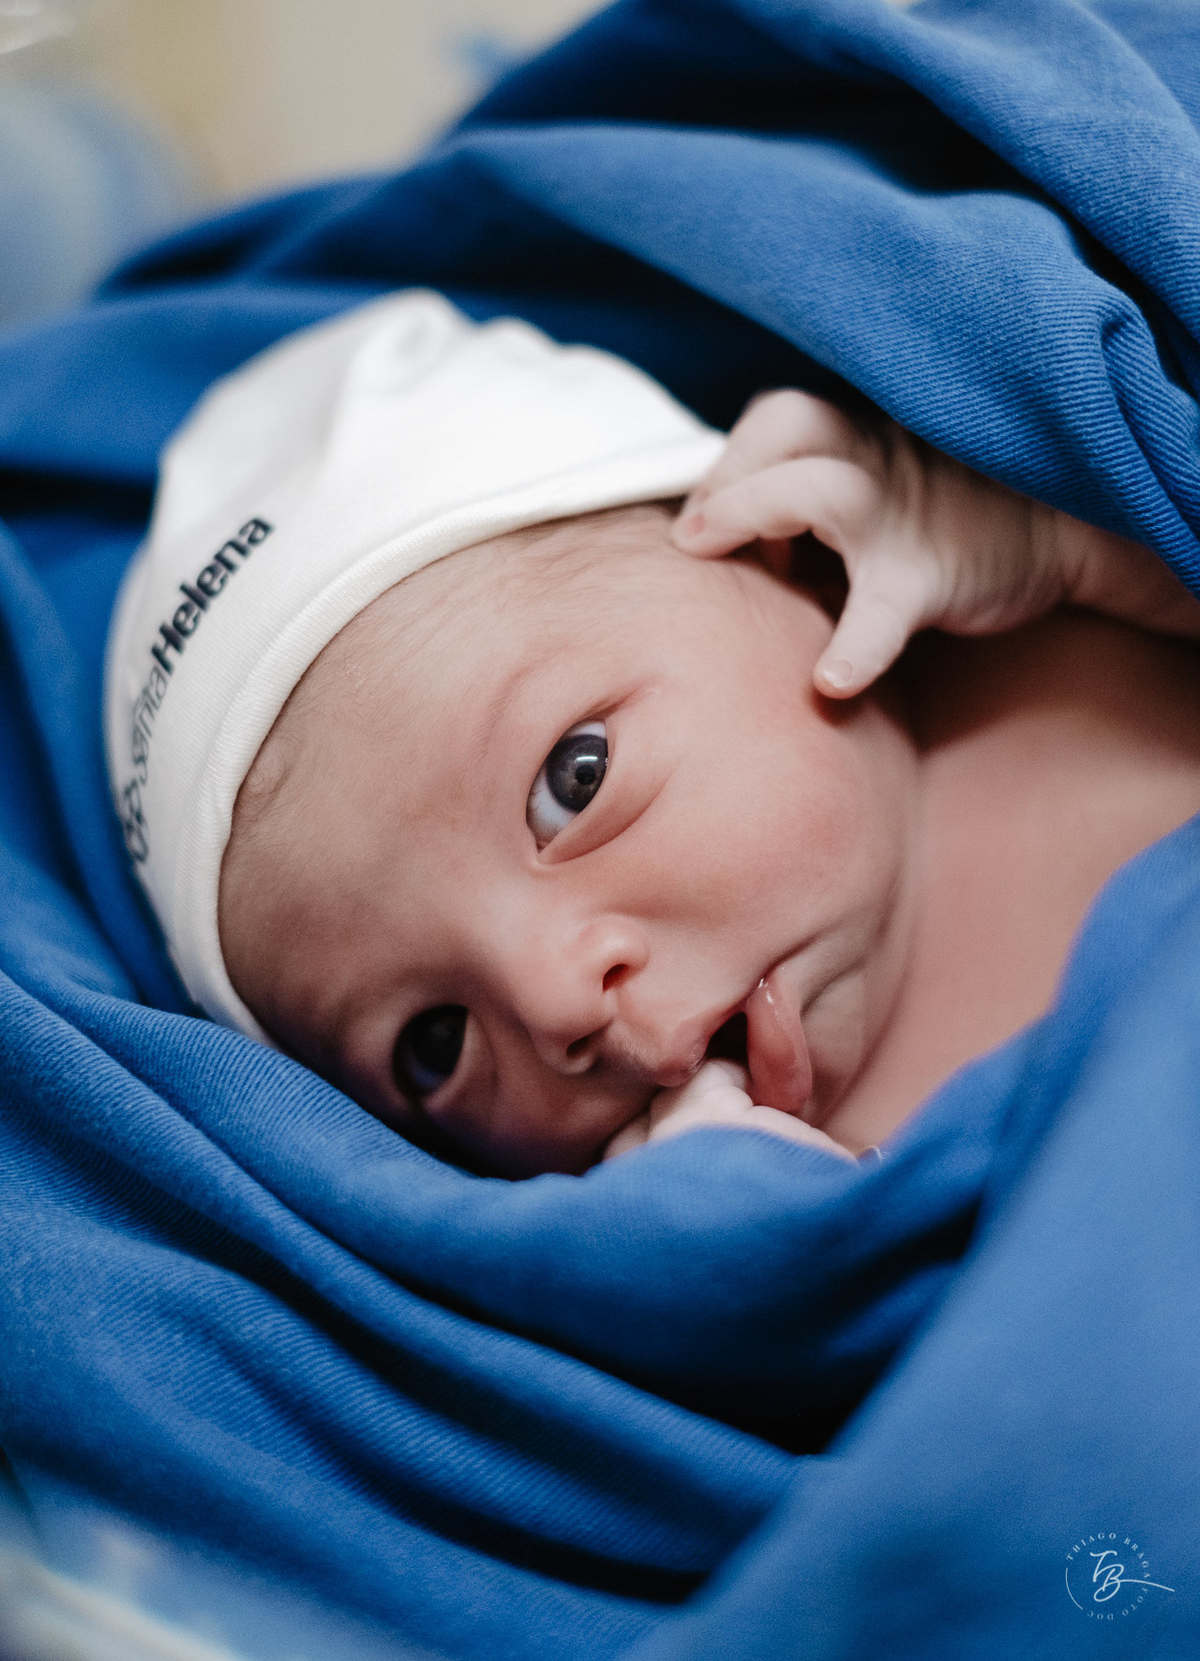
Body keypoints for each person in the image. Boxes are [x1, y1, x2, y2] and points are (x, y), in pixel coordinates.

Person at [106, 293, 1200, 1178]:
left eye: (574, 782)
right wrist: (773, 1252)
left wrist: (1085, 544)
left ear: (788, 554)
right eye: (432, 1044)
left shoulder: (1071, 611)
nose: (554, 1001)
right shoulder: (762, 1191)